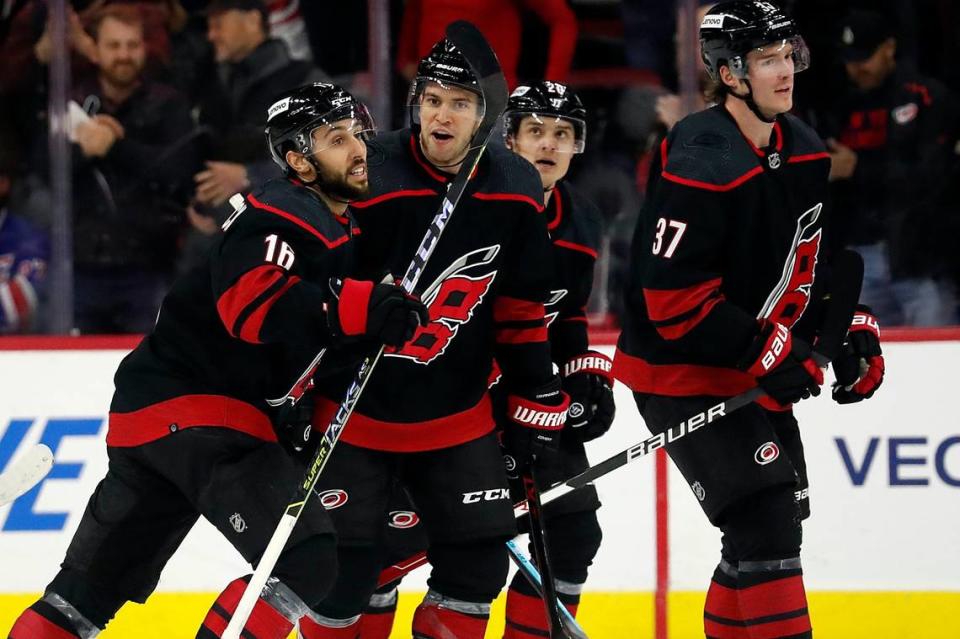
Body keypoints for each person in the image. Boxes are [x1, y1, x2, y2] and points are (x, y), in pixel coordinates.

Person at [6, 83, 428, 639]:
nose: (358, 149)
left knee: (82, 598)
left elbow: (303, 342)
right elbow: (252, 307)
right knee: (304, 562)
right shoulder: (287, 211)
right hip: (207, 418)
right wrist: (359, 306)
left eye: (359, 134)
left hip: (152, 420)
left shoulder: (336, 228)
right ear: (299, 161)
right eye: (336, 139)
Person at [611, 2, 885, 638]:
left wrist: (843, 331)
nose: (786, 71)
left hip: (744, 361)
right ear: (729, 74)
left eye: (788, 55)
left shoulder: (807, 151)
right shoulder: (702, 158)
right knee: (764, 517)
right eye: (767, 60)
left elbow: (805, 268)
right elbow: (673, 304)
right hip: (678, 370)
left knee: (768, 526)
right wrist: (770, 352)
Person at [298, 39, 569, 639]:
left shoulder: (516, 184)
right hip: (356, 412)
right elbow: (311, 280)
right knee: (344, 576)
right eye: (432, 100)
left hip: (457, 416)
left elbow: (521, 307)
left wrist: (538, 395)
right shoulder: (371, 170)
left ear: (485, 117)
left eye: (460, 104)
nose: (441, 116)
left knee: (476, 572)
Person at [353, 81, 615, 639]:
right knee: (389, 548)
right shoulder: (475, 204)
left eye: (562, 134)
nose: (548, 145)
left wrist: (582, 370)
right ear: (505, 140)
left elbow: (561, 315)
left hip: (524, 395)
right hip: (453, 396)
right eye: (536, 132)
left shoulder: (582, 220)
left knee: (570, 531)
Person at [60, 4, 199, 333]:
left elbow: (180, 173)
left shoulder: (169, 104)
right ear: (95, 49)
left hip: (149, 268)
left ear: (145, 49)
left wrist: (116, 146)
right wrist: (86, 149)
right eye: (114, 45)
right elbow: (44, 169)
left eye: (132, 45)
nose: (124, 55)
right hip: (79, 269)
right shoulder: (71, 102)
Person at [817, 9, 958, 326]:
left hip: (919, 259)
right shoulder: (840, 107)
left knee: (936, 358)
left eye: (865, 57)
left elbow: (935, 178)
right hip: (858, 257)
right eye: (850, 59)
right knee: (865, 360)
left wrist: (857, 169)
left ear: (889, 48)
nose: (857, 68)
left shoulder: (926, 98)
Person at [194, 0, 328, 212]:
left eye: (218, 25)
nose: (211, 35)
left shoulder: (301, 81)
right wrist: (200, 204)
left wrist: (250, 175)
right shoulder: (215, 87)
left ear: (252, 21)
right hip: (230, 223)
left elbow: (325, 155)